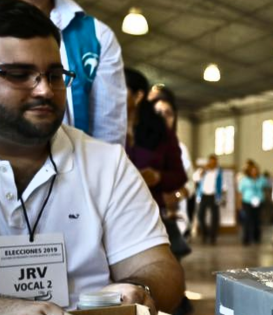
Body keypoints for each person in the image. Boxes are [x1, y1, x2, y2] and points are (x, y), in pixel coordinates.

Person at [0, 1, 184, 314]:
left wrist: (141, 289)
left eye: (55, 75)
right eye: (20, 74)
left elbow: (158, 265)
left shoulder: (106, 164)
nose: (45, 90)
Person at [21, 0, 127, 146]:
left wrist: (102, 167)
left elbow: (109, 130)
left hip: (74, 161)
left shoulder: (96, 35)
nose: (44, 91)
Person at [124, 73, 188, 259]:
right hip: (112, 220)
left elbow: (180, 176)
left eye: (121, 89)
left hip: (149, 220)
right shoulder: (103, 128)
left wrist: (158, 177)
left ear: (138, 96)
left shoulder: (161, 134)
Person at [154, 96, 196, 237]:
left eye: (169, 113)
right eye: (159, 113)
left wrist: (176, 195)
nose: (164, 117)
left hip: (175, 219)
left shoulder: (181, 149)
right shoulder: (141, 147)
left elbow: (190, 183)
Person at [196, 154, 227, 245]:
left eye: (214, 162)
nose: (212, 164)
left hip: (214, 196)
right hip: (204, 195)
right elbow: (196, 178)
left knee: (215, 217)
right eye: (210, 162)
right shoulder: (203, 171)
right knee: (200, 215)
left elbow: (224, 186)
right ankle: (205, 233)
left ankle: (213, 236)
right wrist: (203, 170)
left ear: (216, 163)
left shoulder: (219, 172)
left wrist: (224, 197)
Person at [238, 164, 269, 245]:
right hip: (247, 201)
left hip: (259, 201)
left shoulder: (261, 179)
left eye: (256, 170)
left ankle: (256, 238)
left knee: (257, 220)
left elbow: (267, 186)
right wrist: (240, 203)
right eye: (253, 170)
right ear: (249, 171)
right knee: (248, 220)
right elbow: (240, 191)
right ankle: (246, 238)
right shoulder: (244, 180)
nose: (254, 172)